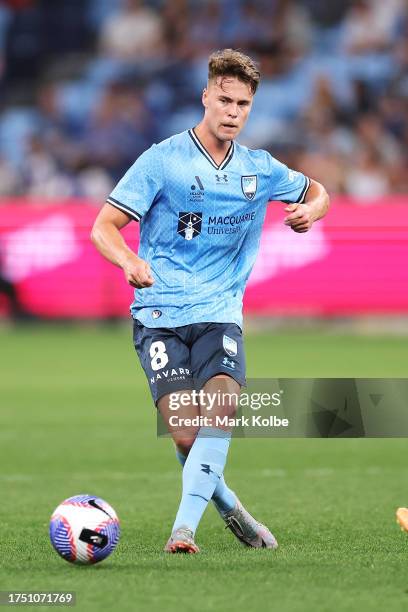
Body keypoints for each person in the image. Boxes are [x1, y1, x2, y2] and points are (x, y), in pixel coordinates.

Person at [91, 49, 329, 554]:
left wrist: (311, 210)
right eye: (224, 99)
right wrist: (130, 262)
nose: (233, 111)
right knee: (184, 436)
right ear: (206, 96)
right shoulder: (163, 160)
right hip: (159, 316)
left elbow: (318, 191)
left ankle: (183, 531)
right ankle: (231, 508)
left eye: (243, 104)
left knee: (220, 405)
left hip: (220, 313)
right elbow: (103, 227)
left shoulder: (259, 169)